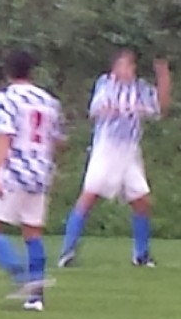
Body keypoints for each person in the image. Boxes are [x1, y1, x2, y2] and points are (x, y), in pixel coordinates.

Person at [0, 50, 66, 311]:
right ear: (31, 71)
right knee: (32, 232)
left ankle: (21, 277)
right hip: (40, 171)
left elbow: (5, 134)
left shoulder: (6, 97)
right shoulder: (48, 100)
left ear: (7, 71)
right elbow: (58, 140)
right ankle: (36, 298)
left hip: (15, 171)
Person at [58, 51, 171, 268]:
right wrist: (125, 110)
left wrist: (163, 75)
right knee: (89, 197)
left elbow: (161, 107)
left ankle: (141, 255)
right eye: (125, 65)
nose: (130, 69)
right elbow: (99, 108)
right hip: (107, 147)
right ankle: (67, 251)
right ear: (115, 67)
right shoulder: (106, 84)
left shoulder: (140, 88)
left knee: (142, 202)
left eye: (132, 65)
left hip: (129, 151)